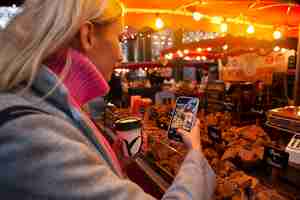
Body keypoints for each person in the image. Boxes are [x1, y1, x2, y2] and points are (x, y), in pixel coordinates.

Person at [0, 0, 215, 199]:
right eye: (119, 39)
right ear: (87, 36)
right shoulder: (31, 133)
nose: (121, 56)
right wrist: (195, 154)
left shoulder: (38, 104)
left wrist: (109, 162)